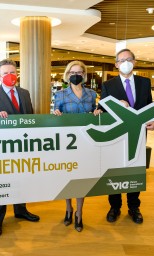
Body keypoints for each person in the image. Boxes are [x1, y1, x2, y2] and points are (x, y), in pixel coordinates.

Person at [96, 48, 154, 224]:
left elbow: (149, 106)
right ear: (116, 64)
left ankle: (134, 207)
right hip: (117, 136)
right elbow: (103, 110)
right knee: (114, 170)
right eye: (121, 60)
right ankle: (114, 206)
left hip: (138, 135)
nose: (125, 63)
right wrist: (116, 105)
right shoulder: (108, 85)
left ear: (134, 62)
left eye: (128, 59)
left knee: (135, 170)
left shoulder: (144, 83)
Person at [0, 59, 40, 236]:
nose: (10, 76)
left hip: (23, 146)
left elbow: (30, 117)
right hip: (1, 149)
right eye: (5, 73)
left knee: (21, 179)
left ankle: (20, 210)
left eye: (12, 72)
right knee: (0, 184)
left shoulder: (24, 93)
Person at [53, 60, 98, 232]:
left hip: (86, 142)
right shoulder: (61, 94)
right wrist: (56, 115)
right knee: (67, 176)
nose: (75, 75)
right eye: (72, 72)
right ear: (67, 75)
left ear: (84, 75)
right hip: (67, 142)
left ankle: (79, 213)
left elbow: (94, 113)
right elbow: (56, 115)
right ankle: (68, 208)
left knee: (81, 178)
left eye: (79, 72)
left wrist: (96, 113)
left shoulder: (91, 94)